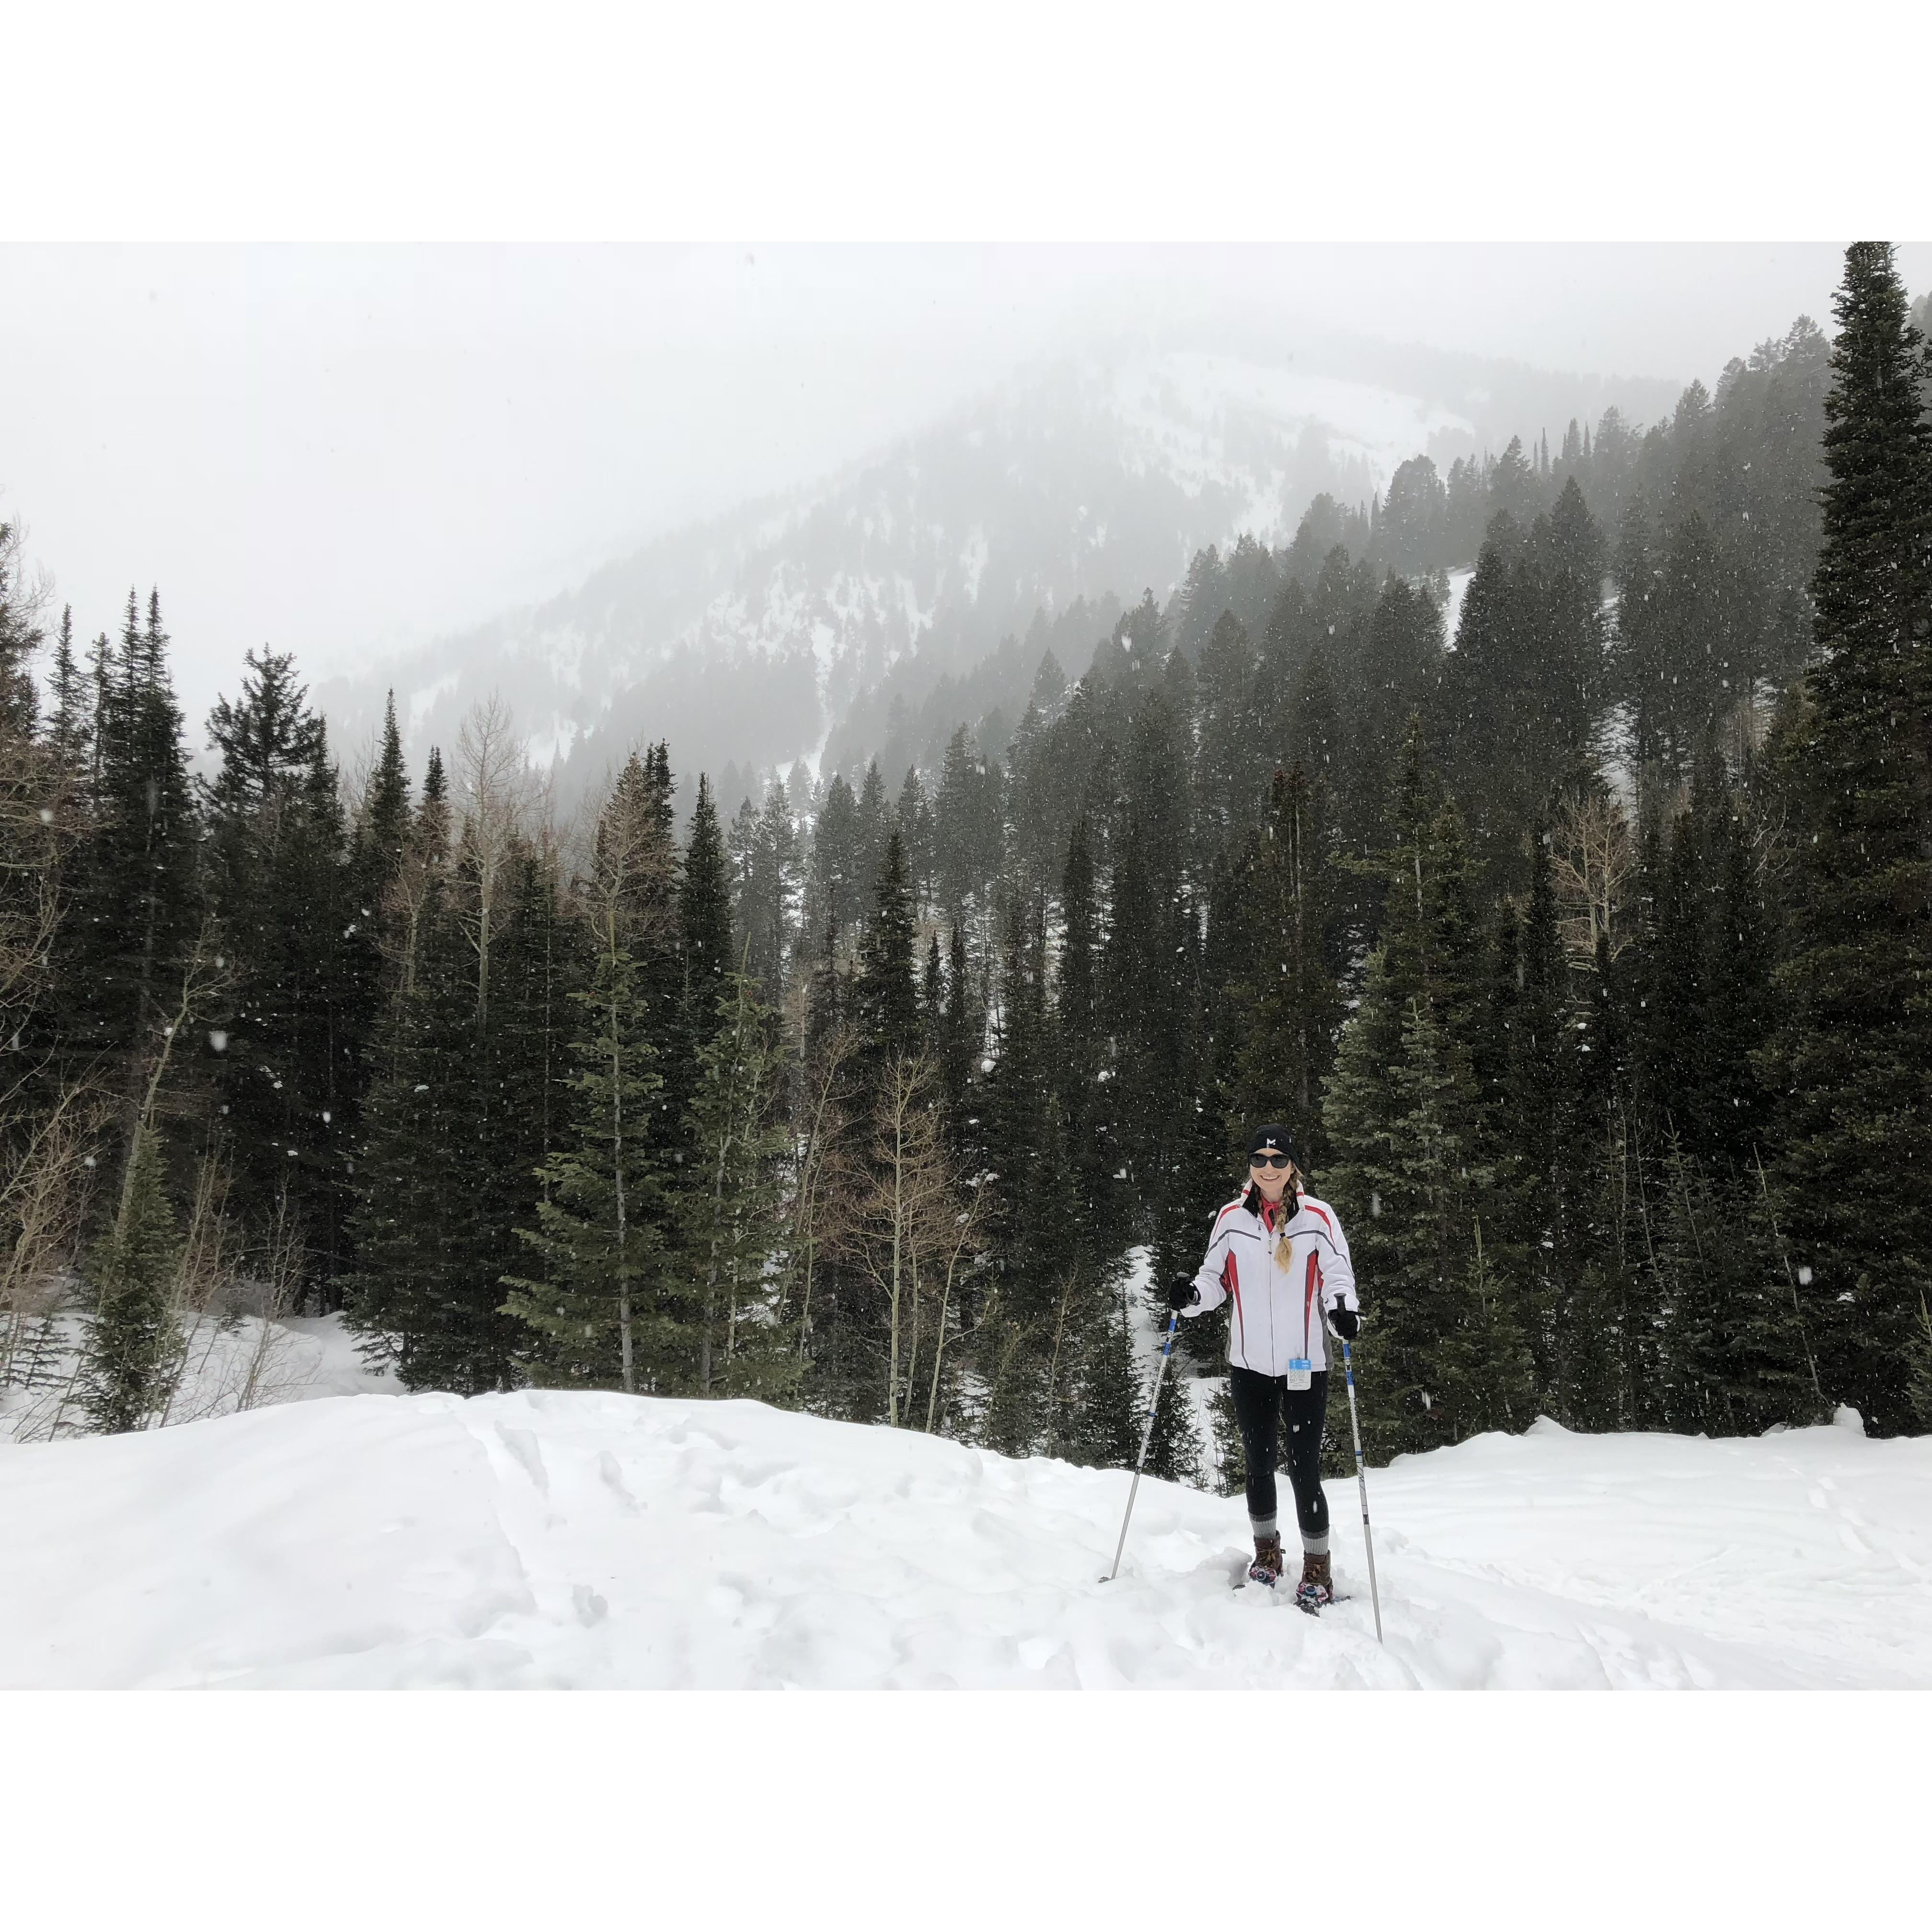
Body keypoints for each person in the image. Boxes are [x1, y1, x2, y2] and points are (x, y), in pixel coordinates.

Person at [1167, 1124, 1361, 1605]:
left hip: (1304, 1365)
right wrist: (1191, 1297)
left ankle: (1317, 1565)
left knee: (1304, 1468)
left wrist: (1343, 1315)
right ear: (1250, 1166)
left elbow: (1338, 1276)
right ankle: (1266, 1554)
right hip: (1250, 1364)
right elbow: (1214, 1279)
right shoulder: (1233, 1218)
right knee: (1257, 1464)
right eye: (1260, 1159)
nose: (1269, 1168)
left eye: (1278, 1160)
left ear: (1293, 1166)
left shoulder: (1318, 1217)